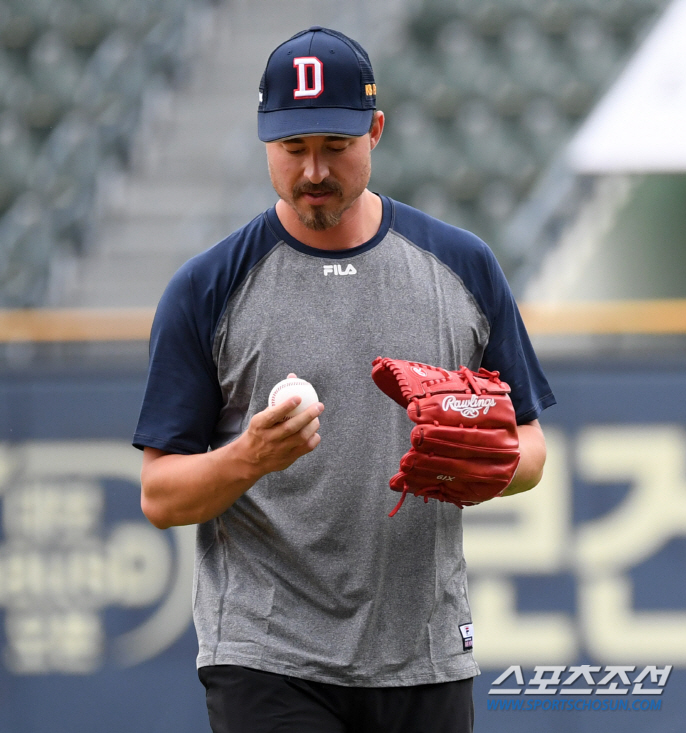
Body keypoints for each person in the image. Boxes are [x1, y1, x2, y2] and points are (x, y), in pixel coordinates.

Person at [134, 26, 555, 733]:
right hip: (268, 657)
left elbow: (533, 447)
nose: (313, 171)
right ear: (266, 139)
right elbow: (159, 495)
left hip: (425, 652)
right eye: (293, 148)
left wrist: (488, 458)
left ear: (376, 131)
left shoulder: (462, 267)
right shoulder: (207, 288)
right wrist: (249, 457)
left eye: (335, 145)